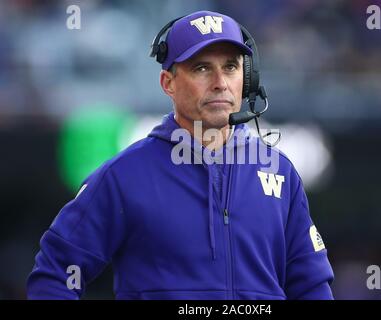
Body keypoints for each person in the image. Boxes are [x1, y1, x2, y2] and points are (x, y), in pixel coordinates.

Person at [27, 10, 334, 300]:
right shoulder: (124, 175)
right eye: (202, 68)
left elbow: (311, 285)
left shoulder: (280, 172)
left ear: (247, 79)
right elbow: (56, 273)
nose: (220, 83)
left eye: (230, 66)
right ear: (168, 83)